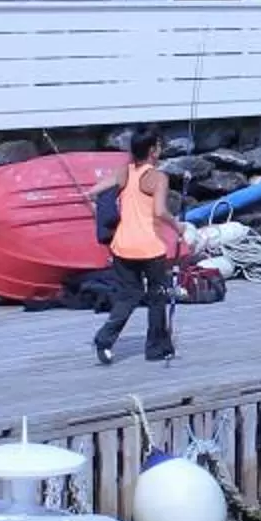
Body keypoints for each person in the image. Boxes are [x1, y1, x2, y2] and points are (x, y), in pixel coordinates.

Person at [93, 127, 181, 366]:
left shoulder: (124, 172)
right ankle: (156, 348)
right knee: (157, 297)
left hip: (122, 246)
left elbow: (95, 192)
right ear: (153, 151)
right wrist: (177, 227)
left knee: (127, 297)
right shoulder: (158, 177)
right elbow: (160, 211)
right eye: (160, 146)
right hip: (149, 248)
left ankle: (105, 338)